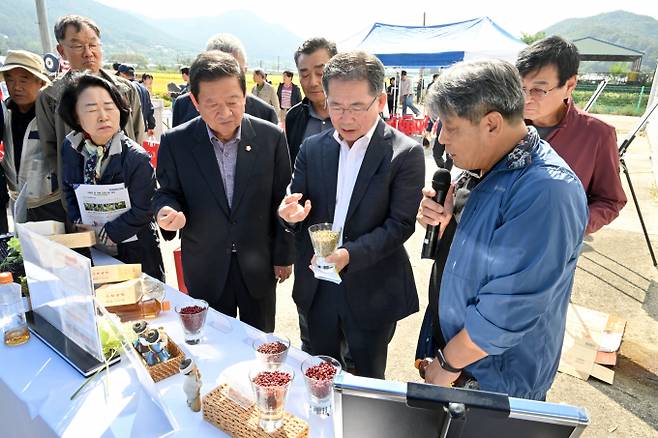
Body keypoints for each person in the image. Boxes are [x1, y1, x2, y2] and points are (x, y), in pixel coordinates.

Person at [416, 59, 587, 400]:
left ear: (491, 123)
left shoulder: (546, 190)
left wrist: (448, 364)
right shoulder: (486, 165)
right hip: (459, 359)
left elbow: (507, 310)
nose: (441, 140)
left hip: (495, 379)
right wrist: (449, 225)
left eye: (450, 127)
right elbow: (481, 256)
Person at [278, 51, 424, 379]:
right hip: (318, 284)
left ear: (381, 100)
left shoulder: (405, 153)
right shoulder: (313, 148)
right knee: (318, 374)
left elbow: (400, 225)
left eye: (357, 106)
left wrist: (348, 255)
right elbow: (294, 200)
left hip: (371, 288)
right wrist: (290, 214)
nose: (345, 117)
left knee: (367, 381)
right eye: (336, 106)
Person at [154, 51, 294, 332]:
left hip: (258, 264)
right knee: (212, 344)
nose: (226, 113)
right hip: (206, 266)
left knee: (262, 345)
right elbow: (167, 192)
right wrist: (166, 211)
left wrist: (283, 256)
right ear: (194, 102)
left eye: (233, 101)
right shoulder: (176, 142)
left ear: (245, 95)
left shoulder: (271, 138)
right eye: (212, 104)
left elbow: (282, 198)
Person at [58, 74, 164, 280]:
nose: (103, 116)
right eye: (91, 109)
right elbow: (68, 188)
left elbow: (144, 210)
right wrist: (79, 220)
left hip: (136, 250)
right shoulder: (70, 147)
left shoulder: (136, 158)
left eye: (109, 107)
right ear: (75, 116)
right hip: (92, 247)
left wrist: (105, 233)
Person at [516, 36, 626, 235]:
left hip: (551, 250)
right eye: (521, 88)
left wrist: (573, 226)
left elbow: (610, 200)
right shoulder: (506, 123)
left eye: (539, 90)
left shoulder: (598, 134)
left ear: (569, 85)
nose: (527, 99)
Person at [36, 15, 145, 205]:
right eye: (78, 46)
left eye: (93, 45)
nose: (88, 53)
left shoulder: (125, 90)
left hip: (126, 190)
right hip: (80, 196)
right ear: (61, 51)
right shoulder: (50, 97)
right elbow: (50, 150)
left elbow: (137, 134)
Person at [0, 50, 67, 227]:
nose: (16, 87)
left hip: (52, 203)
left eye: (24, 79)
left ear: (41, 82)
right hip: (17, 201)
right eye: (10, 79)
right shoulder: (5, 111)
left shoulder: (55, 115)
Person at [171, 34, 278, 127]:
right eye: (217, 73)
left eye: (235, 73)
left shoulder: (264, 113)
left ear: (244, 72)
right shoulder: (183, 105)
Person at [285, 37, 337, 164]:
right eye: (305, 75)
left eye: (321, 72)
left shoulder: (356, 115)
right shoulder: (293, 117)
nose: (313, 82)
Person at [118, 64, 155, 137]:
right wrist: (151, 126)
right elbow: (150, 109)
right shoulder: (144, 88)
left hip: (128, 131)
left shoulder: (125, 88)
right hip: (142, 130)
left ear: (122, 75)